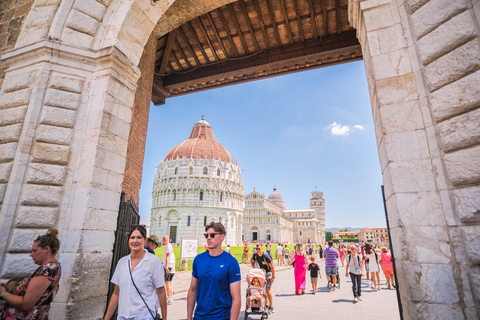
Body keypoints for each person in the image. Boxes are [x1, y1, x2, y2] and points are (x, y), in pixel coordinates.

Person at [104, 226, 167, 320]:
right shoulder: (122, 262)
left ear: (145, 240)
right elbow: (116, 293)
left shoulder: (154, 261)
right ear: (128, 240)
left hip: (144, 314)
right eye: (132, 237)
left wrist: (165, 318)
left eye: (139, 237)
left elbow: (161, 292)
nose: (135, 241)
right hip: (123, 314)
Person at [0, 228, 62, 319]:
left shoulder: (47, 270)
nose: (31, 254)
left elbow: (26, 304)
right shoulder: (50, 269)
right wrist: (9, 290)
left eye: (35, 251)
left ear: (46, 249)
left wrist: (3, 293)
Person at [187, 222, 241, 320]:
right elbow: (192, 290)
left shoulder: (231, 262)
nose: (208, 238)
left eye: (212, 235)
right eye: (206, 235)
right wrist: (189, 318)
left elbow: (236, 298)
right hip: (199, 316)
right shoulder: (198, 259)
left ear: (222, 236)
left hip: (221, 317)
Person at [251, 244, 275, 313]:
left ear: (262, 249)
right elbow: (252, 262)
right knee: (262, 289)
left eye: (259, 249)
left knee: (267, 289)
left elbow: (272, 267)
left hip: (268, 272)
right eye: (257, 249)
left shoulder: (266, 256)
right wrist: (253, 267)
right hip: (261, 272)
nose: (258, 250)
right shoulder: (255, 255)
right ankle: (266, 303)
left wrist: (273, 277)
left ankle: (271, 306)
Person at [162, 235, 176, 304]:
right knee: (169, 282)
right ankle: (170, 296)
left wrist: (166, 266)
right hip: (171, 266)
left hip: (168, 266)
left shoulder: (168, 247)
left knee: (167, 282)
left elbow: (168, 256)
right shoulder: (170, 246)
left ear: (165, 240)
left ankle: (169, 297)